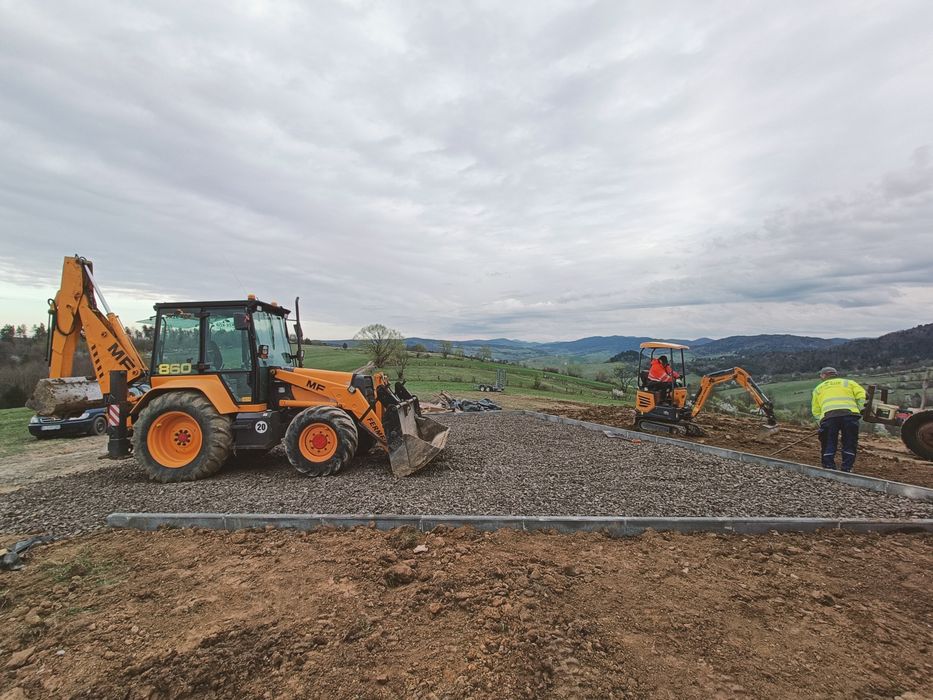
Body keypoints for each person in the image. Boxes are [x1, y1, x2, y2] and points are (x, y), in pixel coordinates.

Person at [811, 366, 866, 472]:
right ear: (835, 374)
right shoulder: (849, 383)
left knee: (828, 442)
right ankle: (847, 468)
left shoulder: (818, 388)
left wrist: (820, 423)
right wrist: (858, 410)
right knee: (849, 442)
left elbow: (816, 410)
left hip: (829, 418)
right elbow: (861, 396)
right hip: (849, 416)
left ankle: (829, 467)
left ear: (823, 375)